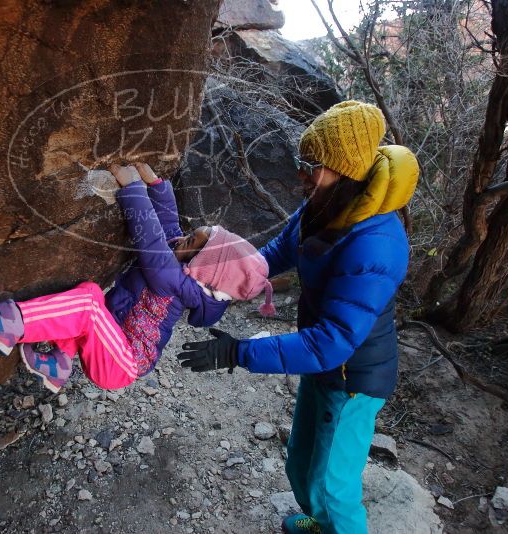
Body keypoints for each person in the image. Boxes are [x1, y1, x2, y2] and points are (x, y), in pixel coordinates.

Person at [177, 101, 419, 534]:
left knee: (331, 486)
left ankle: (335, 526)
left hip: (351, 378)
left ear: (343, 169)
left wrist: (238, 352)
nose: (300, 173)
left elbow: (331, 342)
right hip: (322, 366)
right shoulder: (322, 207)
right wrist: (217, 276)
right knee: (301, 461)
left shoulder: (375, 243)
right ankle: (320, 525)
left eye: (311, 164)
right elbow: (275, 255)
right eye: (300, 161)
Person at [0, 163, 274, 393]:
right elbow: (170, 228)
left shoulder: (175, 283)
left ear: (201, 272)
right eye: (195, 234)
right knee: (89, 293)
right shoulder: (183, 261)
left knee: (90, 306)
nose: (185, 238)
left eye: (193, 243)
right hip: (115, 340)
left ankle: (10, 324)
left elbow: (151, 244)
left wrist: (132, 189)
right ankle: (58, 364)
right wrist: (157, 184)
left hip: (123, 363)